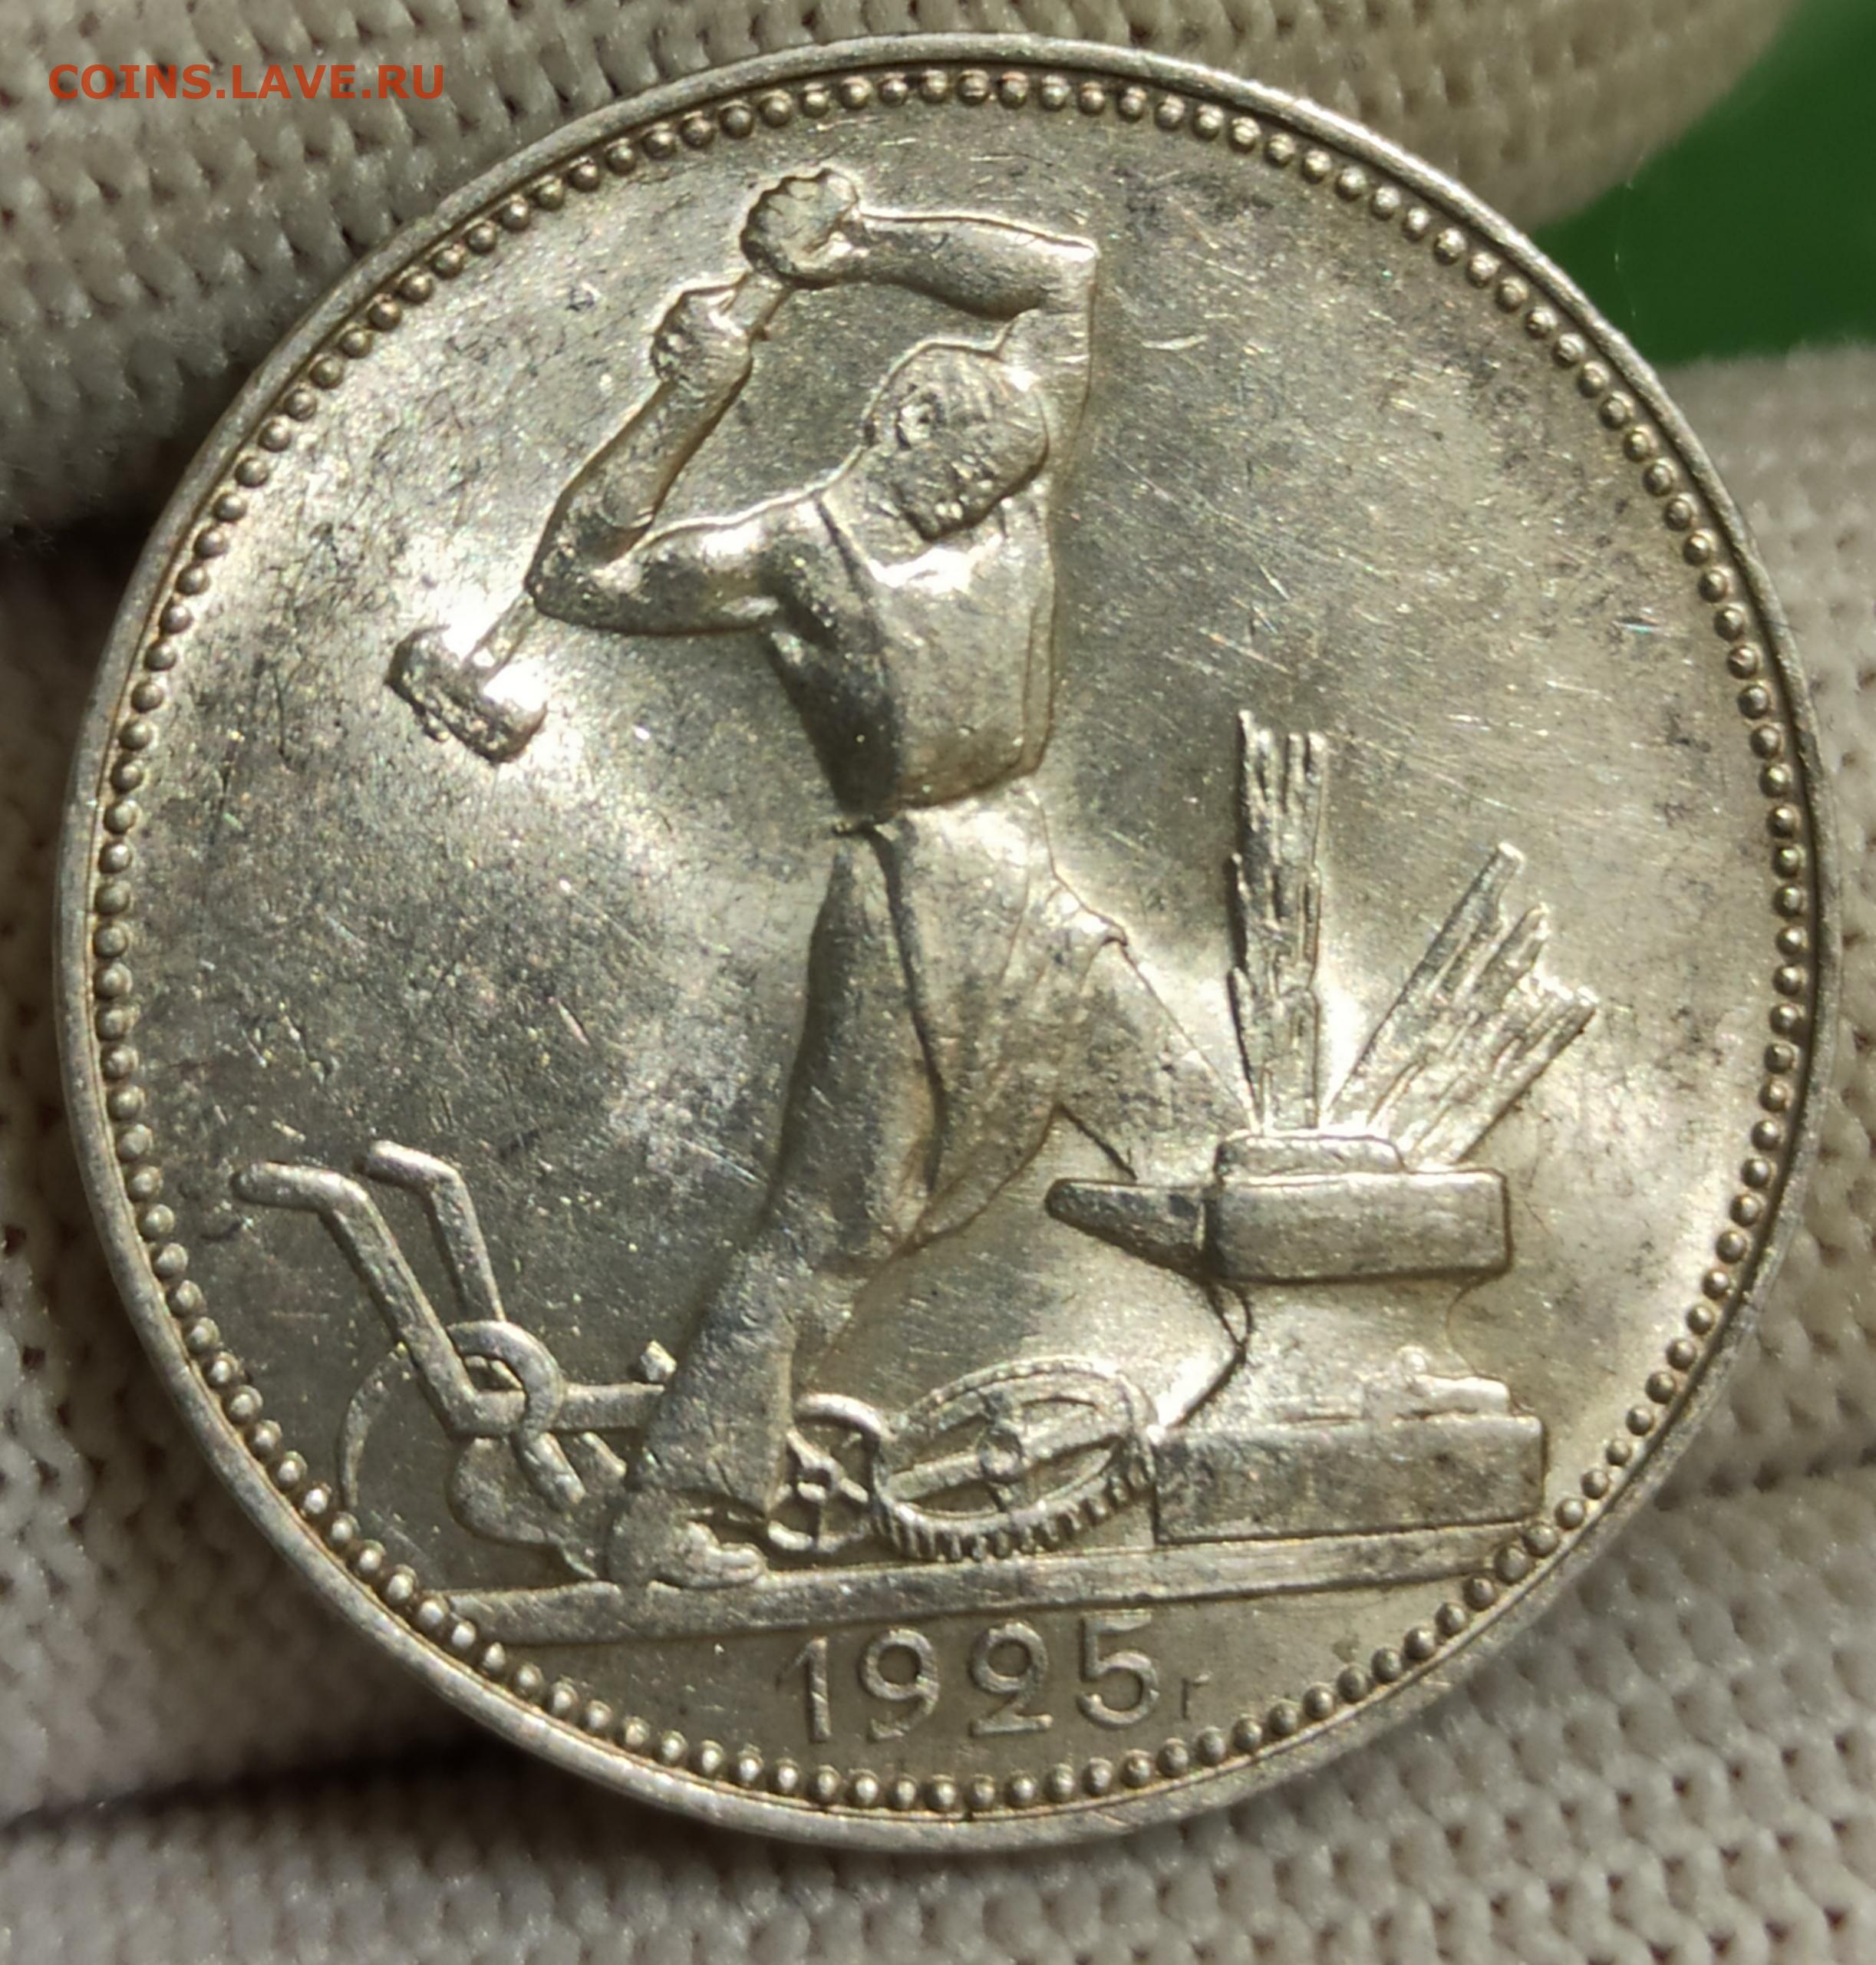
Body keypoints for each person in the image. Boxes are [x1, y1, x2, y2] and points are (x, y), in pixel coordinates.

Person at [527, 170, 1248, 1587]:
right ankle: (674, 1509)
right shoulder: (791, 555)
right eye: (970, 475)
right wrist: (687, 401)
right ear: (908, 423)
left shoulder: (1009, 479)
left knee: (1196, 1134)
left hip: (1025, 888)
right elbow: (575, 576)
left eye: (1010, 479)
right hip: (905, 904)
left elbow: (1059, 273)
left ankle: (1235, 1426)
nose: (995, 499)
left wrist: (854, 247)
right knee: (836, 1220)